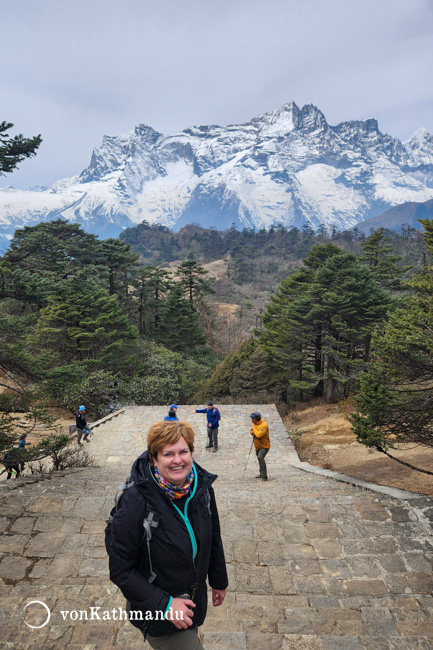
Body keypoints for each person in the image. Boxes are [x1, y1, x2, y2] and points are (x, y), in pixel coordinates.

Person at [106, 420, 228, 649]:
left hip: (192, 605)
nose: (177, 460)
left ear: (191, 452)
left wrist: (219, 580)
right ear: (154, 459)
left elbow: (213, 538)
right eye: (168, 454)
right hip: (158, 616)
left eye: (183, 451)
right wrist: (165, 605)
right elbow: (120, 570)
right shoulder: (135, 501)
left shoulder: (200, 488)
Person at [249, 411, 270, 481]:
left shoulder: (264, 425)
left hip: (264, 446)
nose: (251, 420)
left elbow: (259, 435)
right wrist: (254, 431)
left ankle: (264, 476)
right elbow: (251, 431)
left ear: (255, 419)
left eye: (252, 418)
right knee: (259, 459)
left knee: (260, 457)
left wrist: (254, 431)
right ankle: (261, 473)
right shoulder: (255, 424)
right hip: (258, 446)